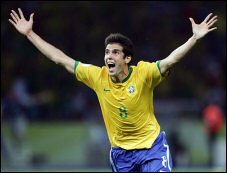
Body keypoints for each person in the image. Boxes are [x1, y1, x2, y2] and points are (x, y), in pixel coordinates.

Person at [9, 8, 217, 172]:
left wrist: (194, 38)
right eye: (107, 52)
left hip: (152, 149)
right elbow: (60, 59)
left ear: (127, 59)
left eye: (115, 53)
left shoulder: (144, 73)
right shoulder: (97, 76)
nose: (109, 56)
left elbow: (171, 60)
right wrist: (30, 34)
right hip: (121, 155)